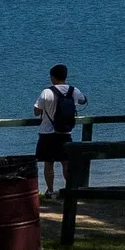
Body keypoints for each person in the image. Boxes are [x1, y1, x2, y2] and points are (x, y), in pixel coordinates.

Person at [33, 64, 88, 198]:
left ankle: (50, 191)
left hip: (47, 133)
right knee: (66, 162)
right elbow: (83, 101)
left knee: (48, 163)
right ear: (65, 76)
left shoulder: (46, 92)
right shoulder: (73, 91)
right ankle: (69, 189)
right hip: (65, 132)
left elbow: (36, 111)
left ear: (52, 77)